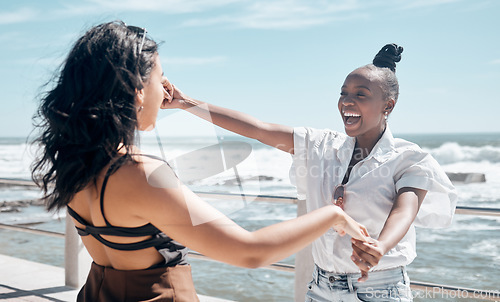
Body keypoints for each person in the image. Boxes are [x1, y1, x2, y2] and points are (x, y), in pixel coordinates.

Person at [30, 21, 369, 302]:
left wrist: (186, 102)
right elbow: (249, 252)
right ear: (135, 90)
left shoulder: (77, 163)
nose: (164, 91)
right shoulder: (142, 174)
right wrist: (332, 214)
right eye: (157, 78)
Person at [164, 44, 457, 301]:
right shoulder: (320, 145)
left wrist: (379, 246)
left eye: (360, 95)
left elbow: (404, 211)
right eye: (343, 93)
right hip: (320, 287)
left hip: (380, 289)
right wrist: (184, 102)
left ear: (388, 106)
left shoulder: (409, 158)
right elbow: (258, 129)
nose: (347, 102)